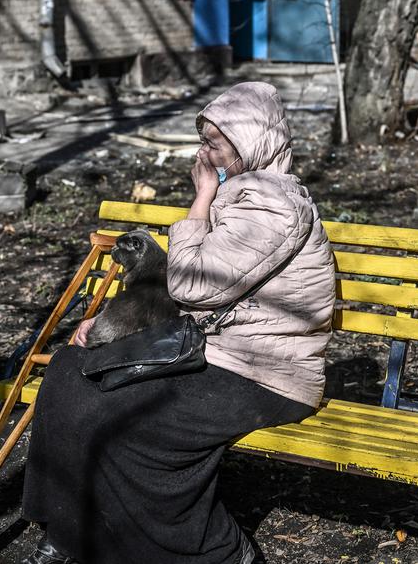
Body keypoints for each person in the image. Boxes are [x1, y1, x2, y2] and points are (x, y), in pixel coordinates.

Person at [19, 82, 337, 564]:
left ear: (249, 144)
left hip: (268, 375)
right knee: (70, 372)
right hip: (217, 354)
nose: (202, 152)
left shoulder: (274, 206)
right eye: (203, 140)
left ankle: (221, 554)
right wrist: (112, 330)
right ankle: (68, 528)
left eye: (213, 143)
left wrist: (202, 196)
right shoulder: (249, 194)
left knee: (135, 431)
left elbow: (191, 285)